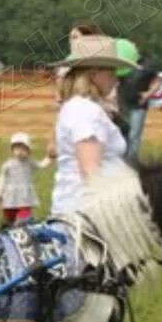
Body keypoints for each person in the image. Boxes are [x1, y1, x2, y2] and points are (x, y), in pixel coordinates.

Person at [48, 27, 136, 218]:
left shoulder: (78, 107)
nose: (116, 79)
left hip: (77, 212)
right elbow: (91, 174)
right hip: (87, 218)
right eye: (111, 72)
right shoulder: (86, 112)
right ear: (94, 74)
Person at [115, 43, 162, 161]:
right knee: (122, 132)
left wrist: (148, 94)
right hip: (122, 104)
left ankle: (132, 161)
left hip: (138, 105)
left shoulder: (148, 65)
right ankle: (122, 159)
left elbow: (157, 81)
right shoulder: (121, 62)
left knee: (134, 135)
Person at [0, 132, 49, 229]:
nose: (20, 152)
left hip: (25, 197)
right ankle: (7, 229)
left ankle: (22, 228)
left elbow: (41, 165)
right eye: (17, 148)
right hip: (10, 197)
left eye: (23, 149)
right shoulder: (8, 165)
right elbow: (2, 180)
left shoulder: (30, 163)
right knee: (9, 219)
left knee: (23, 219)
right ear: (12, 150)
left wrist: (50, 158)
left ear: (29, 150)